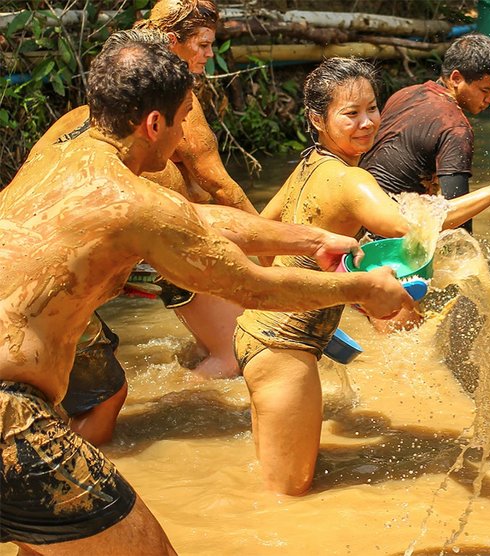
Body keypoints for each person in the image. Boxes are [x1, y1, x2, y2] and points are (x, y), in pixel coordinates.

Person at [0, 42, 413, 554]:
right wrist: (364, 287)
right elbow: (254, 289)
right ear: (154, 124)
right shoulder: (137, 202)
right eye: (182, 124)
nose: (183, 142)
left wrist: (310, 239)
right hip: (10, 421)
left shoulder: (63, 154)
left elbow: (199, 221)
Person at [237, 57, 490, 495]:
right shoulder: (351, 180)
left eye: (372, 109)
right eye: (350, 113)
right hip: (286, 349)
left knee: (272, 483)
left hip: (257, 334)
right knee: (288, 498)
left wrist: (289, 294)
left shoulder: (309, 165)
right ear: (316, 119)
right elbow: (417, 226)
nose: (367, 123)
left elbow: (259, 235)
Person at [30, 0, 250, 381]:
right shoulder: (172, 97)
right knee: (232, 357)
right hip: (139, 237)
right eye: (201, 44)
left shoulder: (110, 98)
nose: (209, 54)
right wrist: (270, 255)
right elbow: (218, 184)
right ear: (170, 41)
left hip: (67, 241)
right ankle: (182, 399)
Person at [360, 33, 490, 235]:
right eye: (485, 90)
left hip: (358, 216)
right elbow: (457, 218)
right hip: (388, 234)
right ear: (456, 78)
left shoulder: (406, 93)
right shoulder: (455, 127)